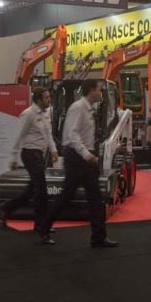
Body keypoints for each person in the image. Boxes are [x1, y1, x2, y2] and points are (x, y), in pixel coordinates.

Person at [38, 79, 118, 247]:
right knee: (66, 196)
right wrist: (86, 154)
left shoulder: (89, 109)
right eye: (99, 90)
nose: (101, 93)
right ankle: (44, 228)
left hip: (86, 157)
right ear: (91, 90)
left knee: (95, 198)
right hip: (76, 157)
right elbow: (72, 135)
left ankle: (98, 237)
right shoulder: (78, 108)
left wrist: (89, 155)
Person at [0, 87, 58, 232]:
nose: (49, 100)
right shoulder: (28, 114)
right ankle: (41, 224)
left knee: (32, 189)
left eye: (49, 97)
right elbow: (18, 136)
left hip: (39, 154)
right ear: (39, 100)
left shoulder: (46, 113)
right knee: (41, 190)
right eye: (46, 97)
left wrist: (53, 150)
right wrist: (13, 157)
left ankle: (6, 208)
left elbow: (48, 134)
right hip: (30, 154)